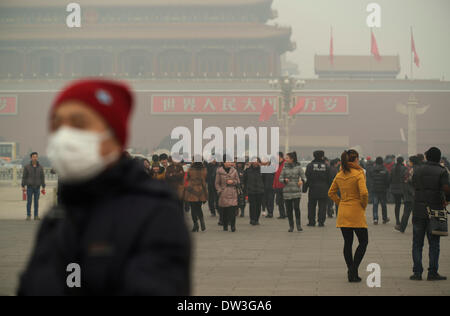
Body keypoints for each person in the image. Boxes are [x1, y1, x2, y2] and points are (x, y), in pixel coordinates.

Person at [18, 79, 190, 295]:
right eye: (56, 124)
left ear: (114, 136)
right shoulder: (56, 219)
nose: (64, 136)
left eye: (79, 124)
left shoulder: (155, 214)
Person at [328, 149, 369, 283]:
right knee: (363, 241)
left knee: (348, 242)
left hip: (344, 211)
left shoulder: (340, 174)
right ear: (356, 159)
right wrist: (363, 205)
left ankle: (351, 271)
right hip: (356, 211)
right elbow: (364, 193)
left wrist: (341, 203)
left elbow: (331, 193)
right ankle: (353, 270)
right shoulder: (359, 173)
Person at [410, 147, 450, 281]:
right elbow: (446, 188)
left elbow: (413, 184)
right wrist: (447, 200)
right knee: (434, 243)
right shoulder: (442, 171)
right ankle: (432, 272)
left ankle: (417, 272)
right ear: (439, 158)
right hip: (436, 210)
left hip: (418, 210)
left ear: (427, 157)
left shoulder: (418, 169)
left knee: (417, 243)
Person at [280, 152, 306, 232]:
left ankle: (298, 225)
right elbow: (280, 178)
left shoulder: (298, 167)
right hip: (287, 191)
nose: (286, 159)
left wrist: (301, 181)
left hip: (296, 191)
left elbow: (304, 177)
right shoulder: (284, 168)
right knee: (289, 209)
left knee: (296, 208)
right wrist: (284, 180)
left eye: (287, 158)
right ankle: (291, 226)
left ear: (292, 159)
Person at [305, 150, 331, 227]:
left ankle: (311, 221)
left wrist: (305, 188)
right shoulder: (326, 166)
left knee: (311, 206)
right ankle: (321, 222)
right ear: (322, 156)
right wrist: (330, 189)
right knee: (322, 206)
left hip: (313, 188)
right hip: (324, 188)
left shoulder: (310, 166)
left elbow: (307, 178)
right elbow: (329, 178)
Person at [215, 157, 240, 232]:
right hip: (224, 193)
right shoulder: (219, 171)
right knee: (225, 211)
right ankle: (225, 225)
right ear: (224, 162)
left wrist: (233, 182)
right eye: (227, 161)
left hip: (232, 192)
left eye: (230, 161)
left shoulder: (234, 171)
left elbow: (238, 181)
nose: (229, 163)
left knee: (232, 210)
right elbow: (216, 183)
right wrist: (220, 190)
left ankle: (233, 226)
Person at [394, 156, 418, 233]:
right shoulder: (420, 169)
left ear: (412, 162)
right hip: (417, 194)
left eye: (409, 161)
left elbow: (407, 182)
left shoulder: (410, 170)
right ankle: (417, 228)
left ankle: (402, 227)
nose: (408, 162)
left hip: (410, 194)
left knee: (406, 212)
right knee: (416, 212)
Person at [184, 158, 208, 232]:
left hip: (191, 190)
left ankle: (196, 225)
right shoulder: (204, 169)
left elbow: (187, 178)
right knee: (198, 208)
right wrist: (206, 195)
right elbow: (204, 180)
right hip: (201, 190)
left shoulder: (191, 169)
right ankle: (202, 221)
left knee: (193, 209)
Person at [21, 152, 46, 221]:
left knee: (36, 202)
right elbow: (24, 177)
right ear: (31, 158)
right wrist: (23, 185)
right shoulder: (27, 167)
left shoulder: (40, 167)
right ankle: (28, 215)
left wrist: (43, 186)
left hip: (37, 187)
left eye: (36, 157)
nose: (35, 158)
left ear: (37, 157)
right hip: (29, 187)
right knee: (29, 202)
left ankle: (36, 216)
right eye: (33, 157)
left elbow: (42, 177)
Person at [369, 157, 390, 225]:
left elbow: (370, 178)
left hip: (374, 189)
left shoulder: (372, 169)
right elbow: (388, 180)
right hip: (383, 189)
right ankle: (384, 218)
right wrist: (387, 187)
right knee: (383, 204)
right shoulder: (385, 170)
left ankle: (375, 219)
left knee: (375, 204)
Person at [244, 157, 265, 225]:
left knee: (258, 206)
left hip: (260, 191)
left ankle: (256, 219)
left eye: (257, 161)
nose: (255, 162)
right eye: (254, 161)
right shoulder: (247, 170)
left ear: (259, 162)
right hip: (251, 191)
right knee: (252, 205)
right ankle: (252, 219)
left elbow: (265, 180)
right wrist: (246, 189)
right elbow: (245, 180)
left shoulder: (262, 170)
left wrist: (263, 188)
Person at [390, 157, 408, 226]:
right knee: (406, 205)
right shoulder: (404, 168)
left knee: (397, 205)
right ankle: (404, 220)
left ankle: (397, 220)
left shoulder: (393, 168)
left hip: (395, 189)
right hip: (403, 189)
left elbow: (390, 178)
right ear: (402, 161)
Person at [273, 152, 287, 219]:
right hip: (278, 185)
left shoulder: (286, 164)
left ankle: (287, 213)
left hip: (284, 185)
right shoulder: (276, 165)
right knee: (279, 201)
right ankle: (282, 214)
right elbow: (276, 176)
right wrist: (274, 185)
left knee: (286, 201)